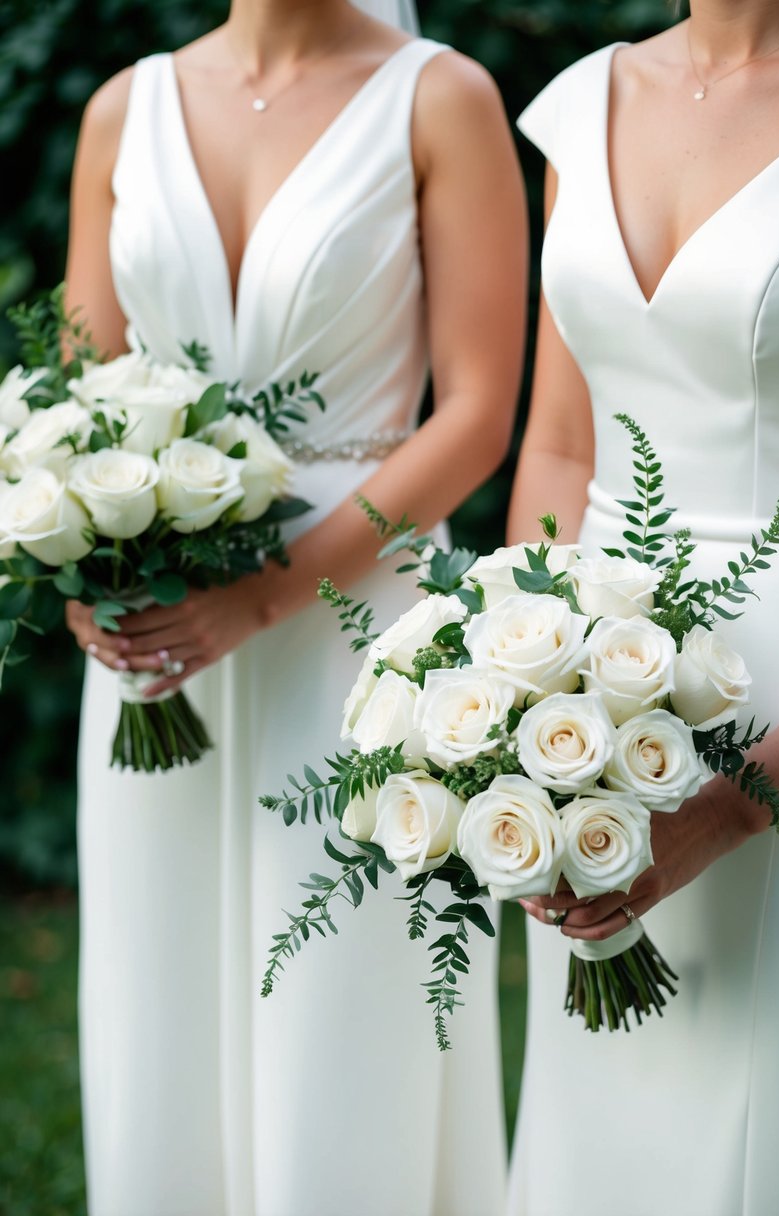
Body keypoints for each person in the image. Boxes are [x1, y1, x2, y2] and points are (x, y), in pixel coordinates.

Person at [63, 1, 527, 1212]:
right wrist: (75, 575)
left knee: (343, 1003)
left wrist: (270, 597)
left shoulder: (440, 97)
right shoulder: (124, 107)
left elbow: (477, 413)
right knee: (158, 996)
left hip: (360, 636)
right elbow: (72, 398)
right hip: (154, 639)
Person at [507, 2, 779, 1213]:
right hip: (597, 712)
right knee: (609, 1121)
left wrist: (726, 810)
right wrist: (521, 692)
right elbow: (554, 445)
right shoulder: (582, 103)